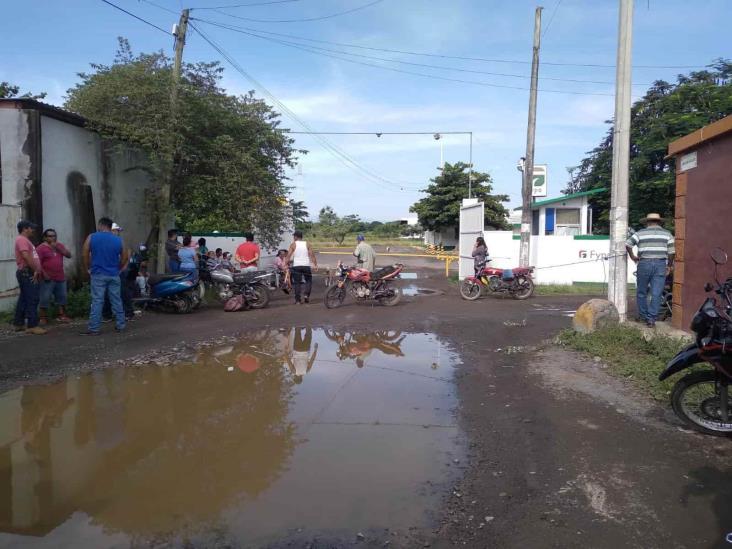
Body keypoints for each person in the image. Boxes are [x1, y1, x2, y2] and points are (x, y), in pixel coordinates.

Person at [626, 213, 675, 328]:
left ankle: (643, 316)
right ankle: (651, 319)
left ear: (647, 222)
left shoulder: (640, 233)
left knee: (641, 292)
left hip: (644, 263)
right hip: (660, 264)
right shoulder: (667, 234)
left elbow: (628, 244)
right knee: (656, 293)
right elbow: (672, 252)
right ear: (659, 222)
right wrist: (669, 266)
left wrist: (633, 256)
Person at [81, 217, 128, 335]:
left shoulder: (92, 237)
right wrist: (119, 268)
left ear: (101, 225)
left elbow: (84, 253)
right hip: (114, 274)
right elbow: (124, 257)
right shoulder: (118, 240)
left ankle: (94, 329)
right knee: (116, 300)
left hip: (98, 274)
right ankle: (121, 325)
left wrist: (87, 268)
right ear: (110, 226)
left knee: (97, 301)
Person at [13, 220, 46, 335]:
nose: (33, 230)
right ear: (25, 229)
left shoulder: (25, 240)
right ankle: (32, 325)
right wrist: (36, 269)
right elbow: (26, 256)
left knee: (24, 298)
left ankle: (19, 323)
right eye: (31, 228)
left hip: (27, 272)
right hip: (28, 272)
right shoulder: (22, 240)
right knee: (32, 298)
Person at [36, 228, 72, 325]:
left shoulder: (59, 245)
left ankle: (62, 316)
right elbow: (37, 263)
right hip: (47, 278)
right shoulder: (40, 248)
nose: (53, 237)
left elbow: (69, 255)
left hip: (60, 276)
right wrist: (44, 274)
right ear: (45, 237)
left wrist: (59, 248)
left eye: (54, 235)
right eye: (50, 236)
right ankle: (43, 318)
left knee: (62, 297)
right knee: (45, 298)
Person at [286, 230, 318, 304]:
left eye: (294, 236)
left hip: (296, 266)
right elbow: (312, 255)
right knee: (308, 281)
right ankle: (306, 295)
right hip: (306, 265)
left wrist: (285, 264)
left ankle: (298, 300)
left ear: (296, 236)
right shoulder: (307, 244)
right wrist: (315, 264)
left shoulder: (293, 244)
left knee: (297, 283)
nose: (293, 237)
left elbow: (288, 255)